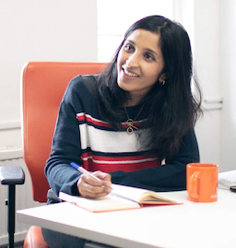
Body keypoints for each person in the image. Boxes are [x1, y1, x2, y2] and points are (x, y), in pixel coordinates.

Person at [41, 15, 202, 248]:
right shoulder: (81, 92)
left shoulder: (173, 106)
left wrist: (115, 182)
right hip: (74, 210)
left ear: (165, 74)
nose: (130, 62)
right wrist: (78, 182)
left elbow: (187, 169)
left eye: (148, 56)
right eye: (129, 47)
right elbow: (57, 163)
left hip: (137, 211)